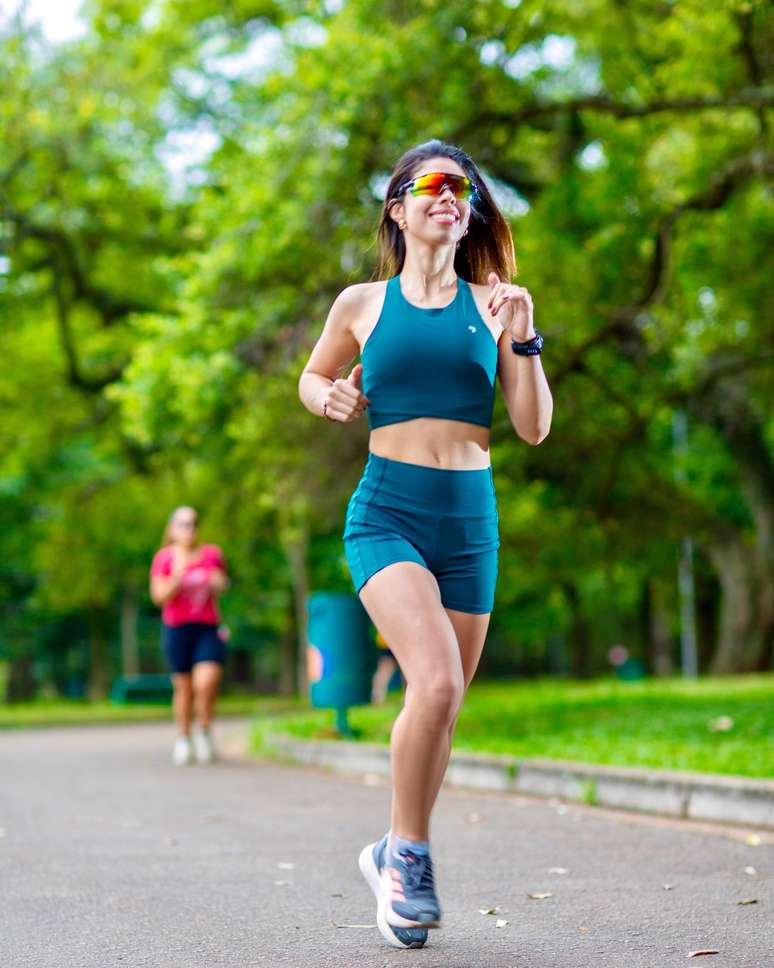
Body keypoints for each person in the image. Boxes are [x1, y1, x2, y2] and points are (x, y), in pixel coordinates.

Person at [298, 139, 553, 950]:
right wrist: (326, 397)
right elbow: (312, 376)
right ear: (398, 206)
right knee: (435, 681)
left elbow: (533, 427)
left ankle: (388, 848)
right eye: (434, 185)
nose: (452, 198)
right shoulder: (361, 303)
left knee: (440, 708)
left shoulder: (498, 303)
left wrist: (527, 337)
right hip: (389, 513)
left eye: (464, 189)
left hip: (471, 521)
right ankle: (409, 856)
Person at [149, 506, 230, 766]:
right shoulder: (164, 558)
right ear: (172, 528)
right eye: (183, 524)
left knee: (206, 683)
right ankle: (184, 738)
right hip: (177, 628)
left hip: (207, 627)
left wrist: (219, 581)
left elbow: (223, 584)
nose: (189, 529)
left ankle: (204, 729)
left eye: (193, 523)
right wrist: (177, 574)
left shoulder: (211, 554)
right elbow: (158, 597)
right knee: (183, 687)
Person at [371, 629, 400, 704]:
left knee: (408, 673)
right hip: (388, 642)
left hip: (395, 640)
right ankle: (377, 697)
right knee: (385, 670)